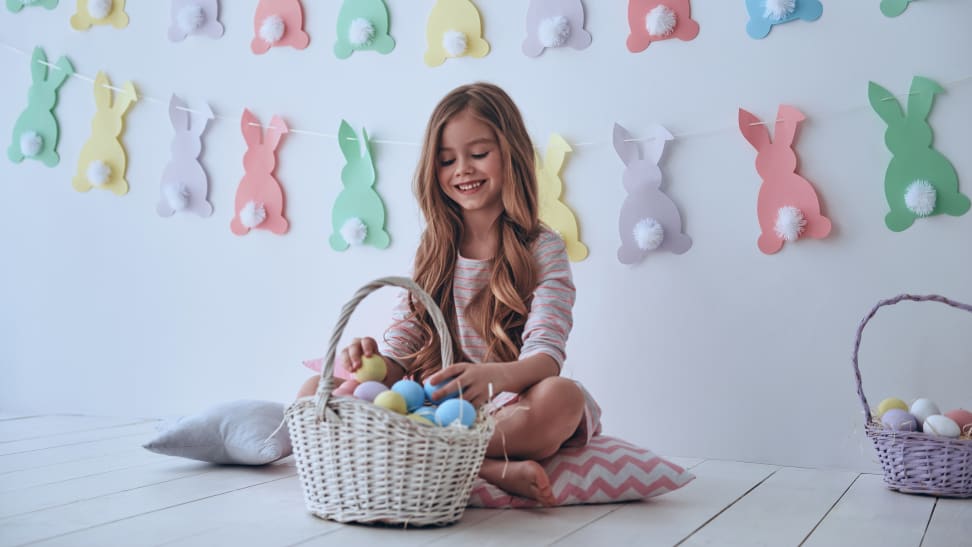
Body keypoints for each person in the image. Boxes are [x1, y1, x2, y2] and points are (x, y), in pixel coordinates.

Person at [297, 82, 600, 505]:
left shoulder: (542, 248)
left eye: (478, 154)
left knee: (563, 399)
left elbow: (546, 356)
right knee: (316, 389)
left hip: (506, 405)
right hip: (429, 405)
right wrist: (373, 363)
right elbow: (403, 350)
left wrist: (492, 377)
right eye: (446, 160)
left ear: (510, 153)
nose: (463, 170)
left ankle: (424, 455)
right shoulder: (433, 249)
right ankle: (486, 468)